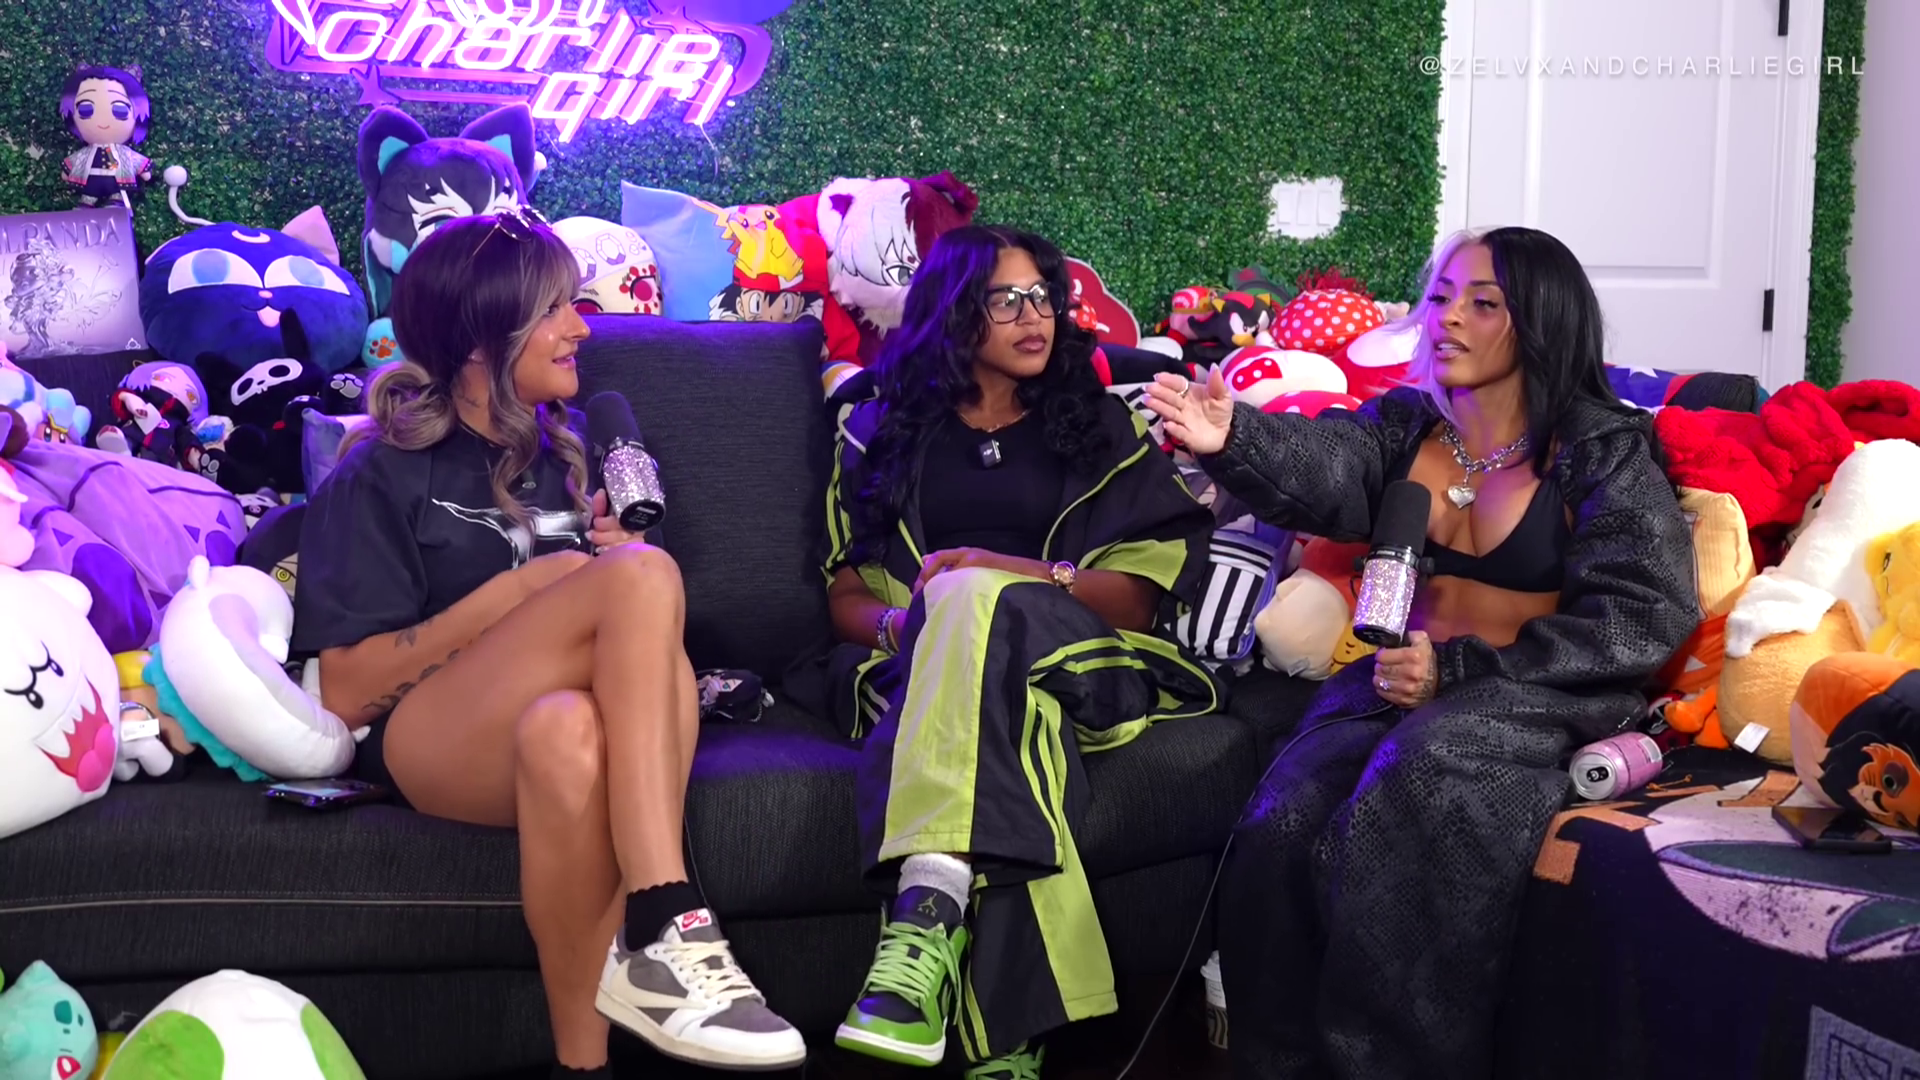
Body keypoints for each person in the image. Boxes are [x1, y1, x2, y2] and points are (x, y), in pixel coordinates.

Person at [1144, 226, 1699, 1079]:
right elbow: (1326, 463)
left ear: (1542, 321)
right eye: (1441, 297)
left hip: (1537, 691)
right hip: (1396, 683)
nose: (1449, 317)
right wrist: (1232, 438)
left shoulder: (1600, 450)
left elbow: (1643, 614)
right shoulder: (1406, 427)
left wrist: (1461, 670)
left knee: (1421, 777)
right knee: (1281, 820)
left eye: (1483, 302)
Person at [292, 208, 805, 1077]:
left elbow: (628, 664)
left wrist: (606, 573)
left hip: (545, 734)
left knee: (568, 726)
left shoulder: (572, 454)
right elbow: (342, 692)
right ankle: (667, 914)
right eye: (556, 310)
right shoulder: (379, 470)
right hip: (433, 742)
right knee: (641, 576)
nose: (582, 328)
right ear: (479, 341)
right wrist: (525, 591)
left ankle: (584, 1062)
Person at [818, 225, 1221, 1078]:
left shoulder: (1101, 425)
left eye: (1043, 296)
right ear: (954, 310)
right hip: (926, 669)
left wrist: (1010, 574)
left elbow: (1139, 598)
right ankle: (1002, 1045)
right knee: (1009, 721)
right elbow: (845, 593)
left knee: (972, 597)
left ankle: (926, 916)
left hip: (1088, 662)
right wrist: (907, 627)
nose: (1034, 315)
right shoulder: (878, 430)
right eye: (1006, 300)